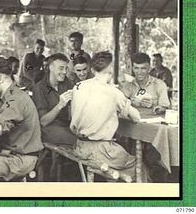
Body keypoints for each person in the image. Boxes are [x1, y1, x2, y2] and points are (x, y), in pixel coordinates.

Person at [70, 51, 147, 181]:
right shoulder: (113, 92)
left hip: (80, 147)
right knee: (139, 167)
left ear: (92, 69)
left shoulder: (79, 86)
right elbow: (136, 117)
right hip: (101, 150)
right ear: (110, 69)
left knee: (118, 162)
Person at [121, 52, 170, 182]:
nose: (140, 72)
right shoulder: (128, 86)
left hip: (152, 129)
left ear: (149, 68)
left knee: (153, 152)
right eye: (136, 68)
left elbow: (165, 107)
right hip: (132, 130)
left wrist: (157, 106)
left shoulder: (159, 84)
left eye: (143, 68)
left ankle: (154, 178)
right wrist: (131, 103)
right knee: (131, 152)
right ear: (132, 68)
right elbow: (119, 106)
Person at [32, 53, 77, 145]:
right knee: (77, 141)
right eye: (61, 68)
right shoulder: (39, 88)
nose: (64, 72)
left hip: (66, 125)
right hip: (48, 128)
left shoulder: (67, 83)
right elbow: (43, 122)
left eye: (66, 69)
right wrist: (60, 105)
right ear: (50, 68)